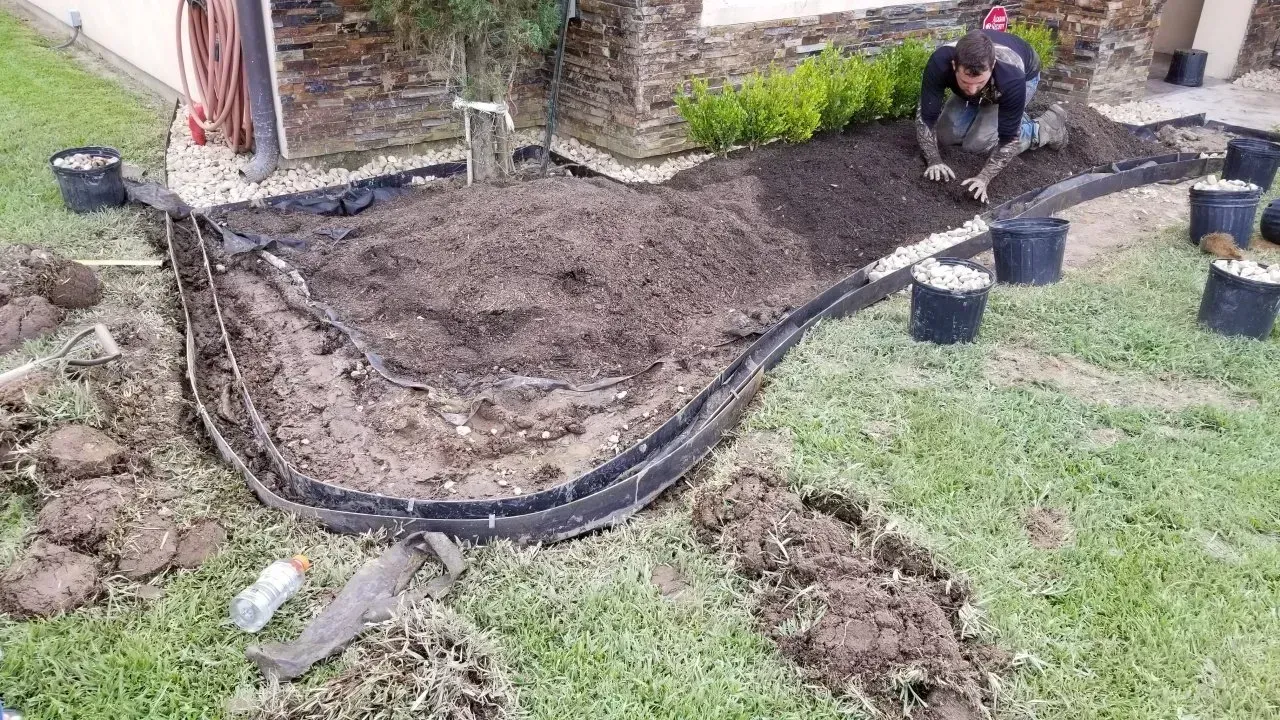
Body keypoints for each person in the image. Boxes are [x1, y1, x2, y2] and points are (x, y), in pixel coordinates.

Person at [915, 28, 1069, 203]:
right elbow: (926, 118)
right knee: (945, 137)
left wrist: (983, 178)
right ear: (954, 66)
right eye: (965, 82)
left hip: (1023, 78)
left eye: (979, 82)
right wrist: (934, 160)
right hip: (989, 84)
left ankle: (1044, 127)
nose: (972, 89)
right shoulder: (939, 62)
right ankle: (1001, 111)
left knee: (979, 144)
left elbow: (1008, 140)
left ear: (993, 65)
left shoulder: (1011, 77)